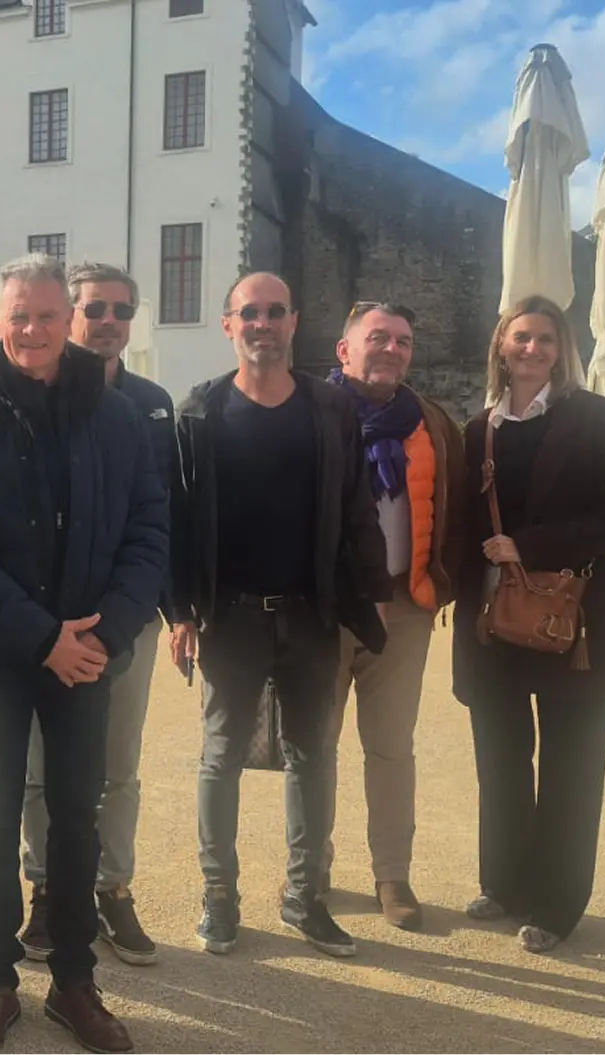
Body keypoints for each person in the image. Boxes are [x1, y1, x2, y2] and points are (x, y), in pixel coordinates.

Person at [0, 255, 168, 1055]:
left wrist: (102, 633)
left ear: (70, 320)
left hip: (90, 651)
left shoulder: (119, 418)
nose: (31, 329)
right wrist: (40, 635)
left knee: (73, 815)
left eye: (45, 314)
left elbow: (147, 531)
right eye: (16, 316)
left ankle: (72, 979)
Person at [167, 271, 390, 960]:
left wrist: (368, 593)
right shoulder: (199, 411)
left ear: (294, 322)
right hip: (228, 617)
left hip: (310, 616)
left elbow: (356, 509)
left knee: (312, 756)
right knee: (219, 757)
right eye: (248, 312)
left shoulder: (328, 409)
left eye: (274, 311)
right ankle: (219, 895)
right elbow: (176, 521)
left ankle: (305, 897)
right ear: (228, 324)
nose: (261, 322)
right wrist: (178, 611)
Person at [451, 295, 605, 955]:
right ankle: (503, 881)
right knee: (498, 758)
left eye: (544, 338)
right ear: (500, 345)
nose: (531, 348)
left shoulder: (595, 417)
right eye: (520, 336)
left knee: (571, 763)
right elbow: (463, 527)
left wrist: (527, 546)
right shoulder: (478, 429)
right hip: (492, 618)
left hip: (575, 616)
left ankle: (556, 902)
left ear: (561, 348)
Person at [15, 261, 175, 967]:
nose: (107, 319)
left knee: (118, 765)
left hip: (121, 621)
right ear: (69, 316)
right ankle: (47, 890)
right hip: (44, 624)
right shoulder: (30, 396)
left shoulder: (151, 402)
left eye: (120, 308)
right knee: (37, 767)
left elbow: (160, 517)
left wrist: (124, 618)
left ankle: (111, 887)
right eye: (93, 308)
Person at [318, 301, 466, 932]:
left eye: (403, 341)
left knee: (390, 748)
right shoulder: (309, 413)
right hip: (326, 611)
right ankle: (310, 870)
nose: (392, 349)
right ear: (344, 349)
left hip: (406, 609)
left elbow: (460, 500)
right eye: (377, 337)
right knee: (314, 747)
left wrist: (447, 579)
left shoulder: (430, 421)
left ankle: (391, 875)